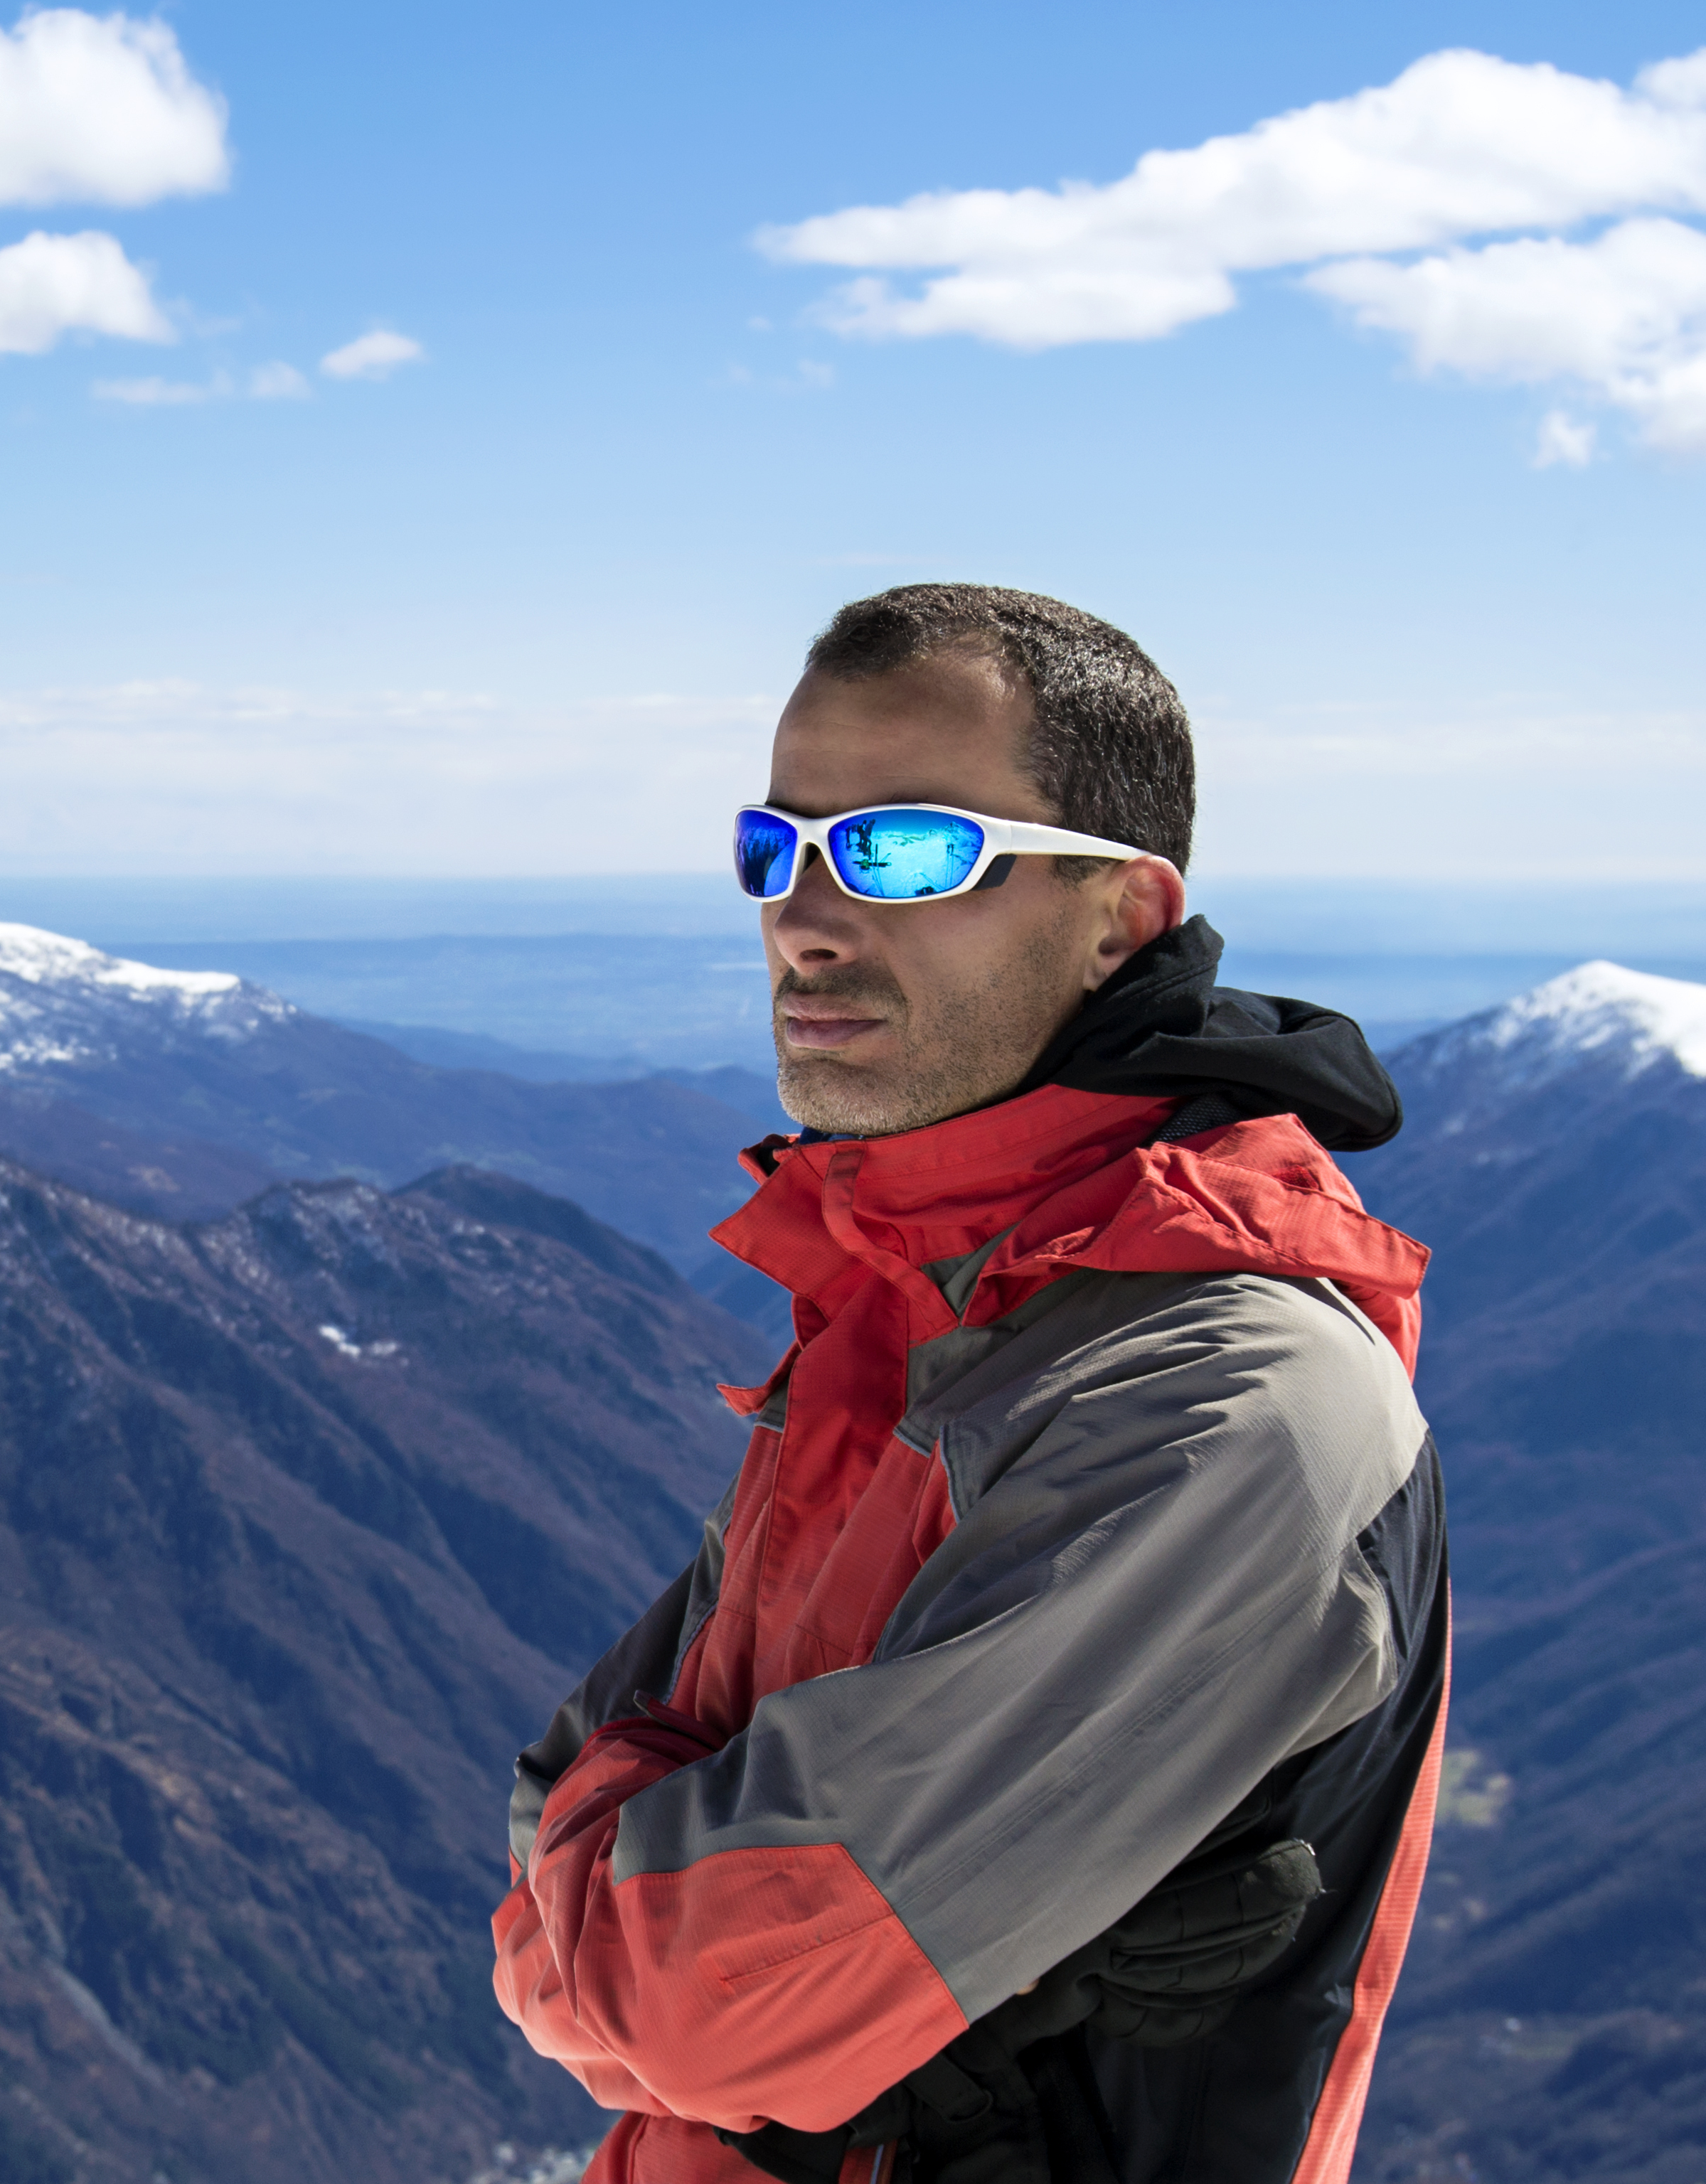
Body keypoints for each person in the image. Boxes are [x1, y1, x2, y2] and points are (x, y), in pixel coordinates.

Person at [491, 585, 1446, 2184]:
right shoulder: (911, 1302)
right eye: (776, 846)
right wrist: (625, 1871)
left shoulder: (1216, 1395)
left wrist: (624, 1859)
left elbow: (694, 1999)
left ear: (1121, 915)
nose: (805, 914)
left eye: (906, 850)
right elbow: (585, 1879)